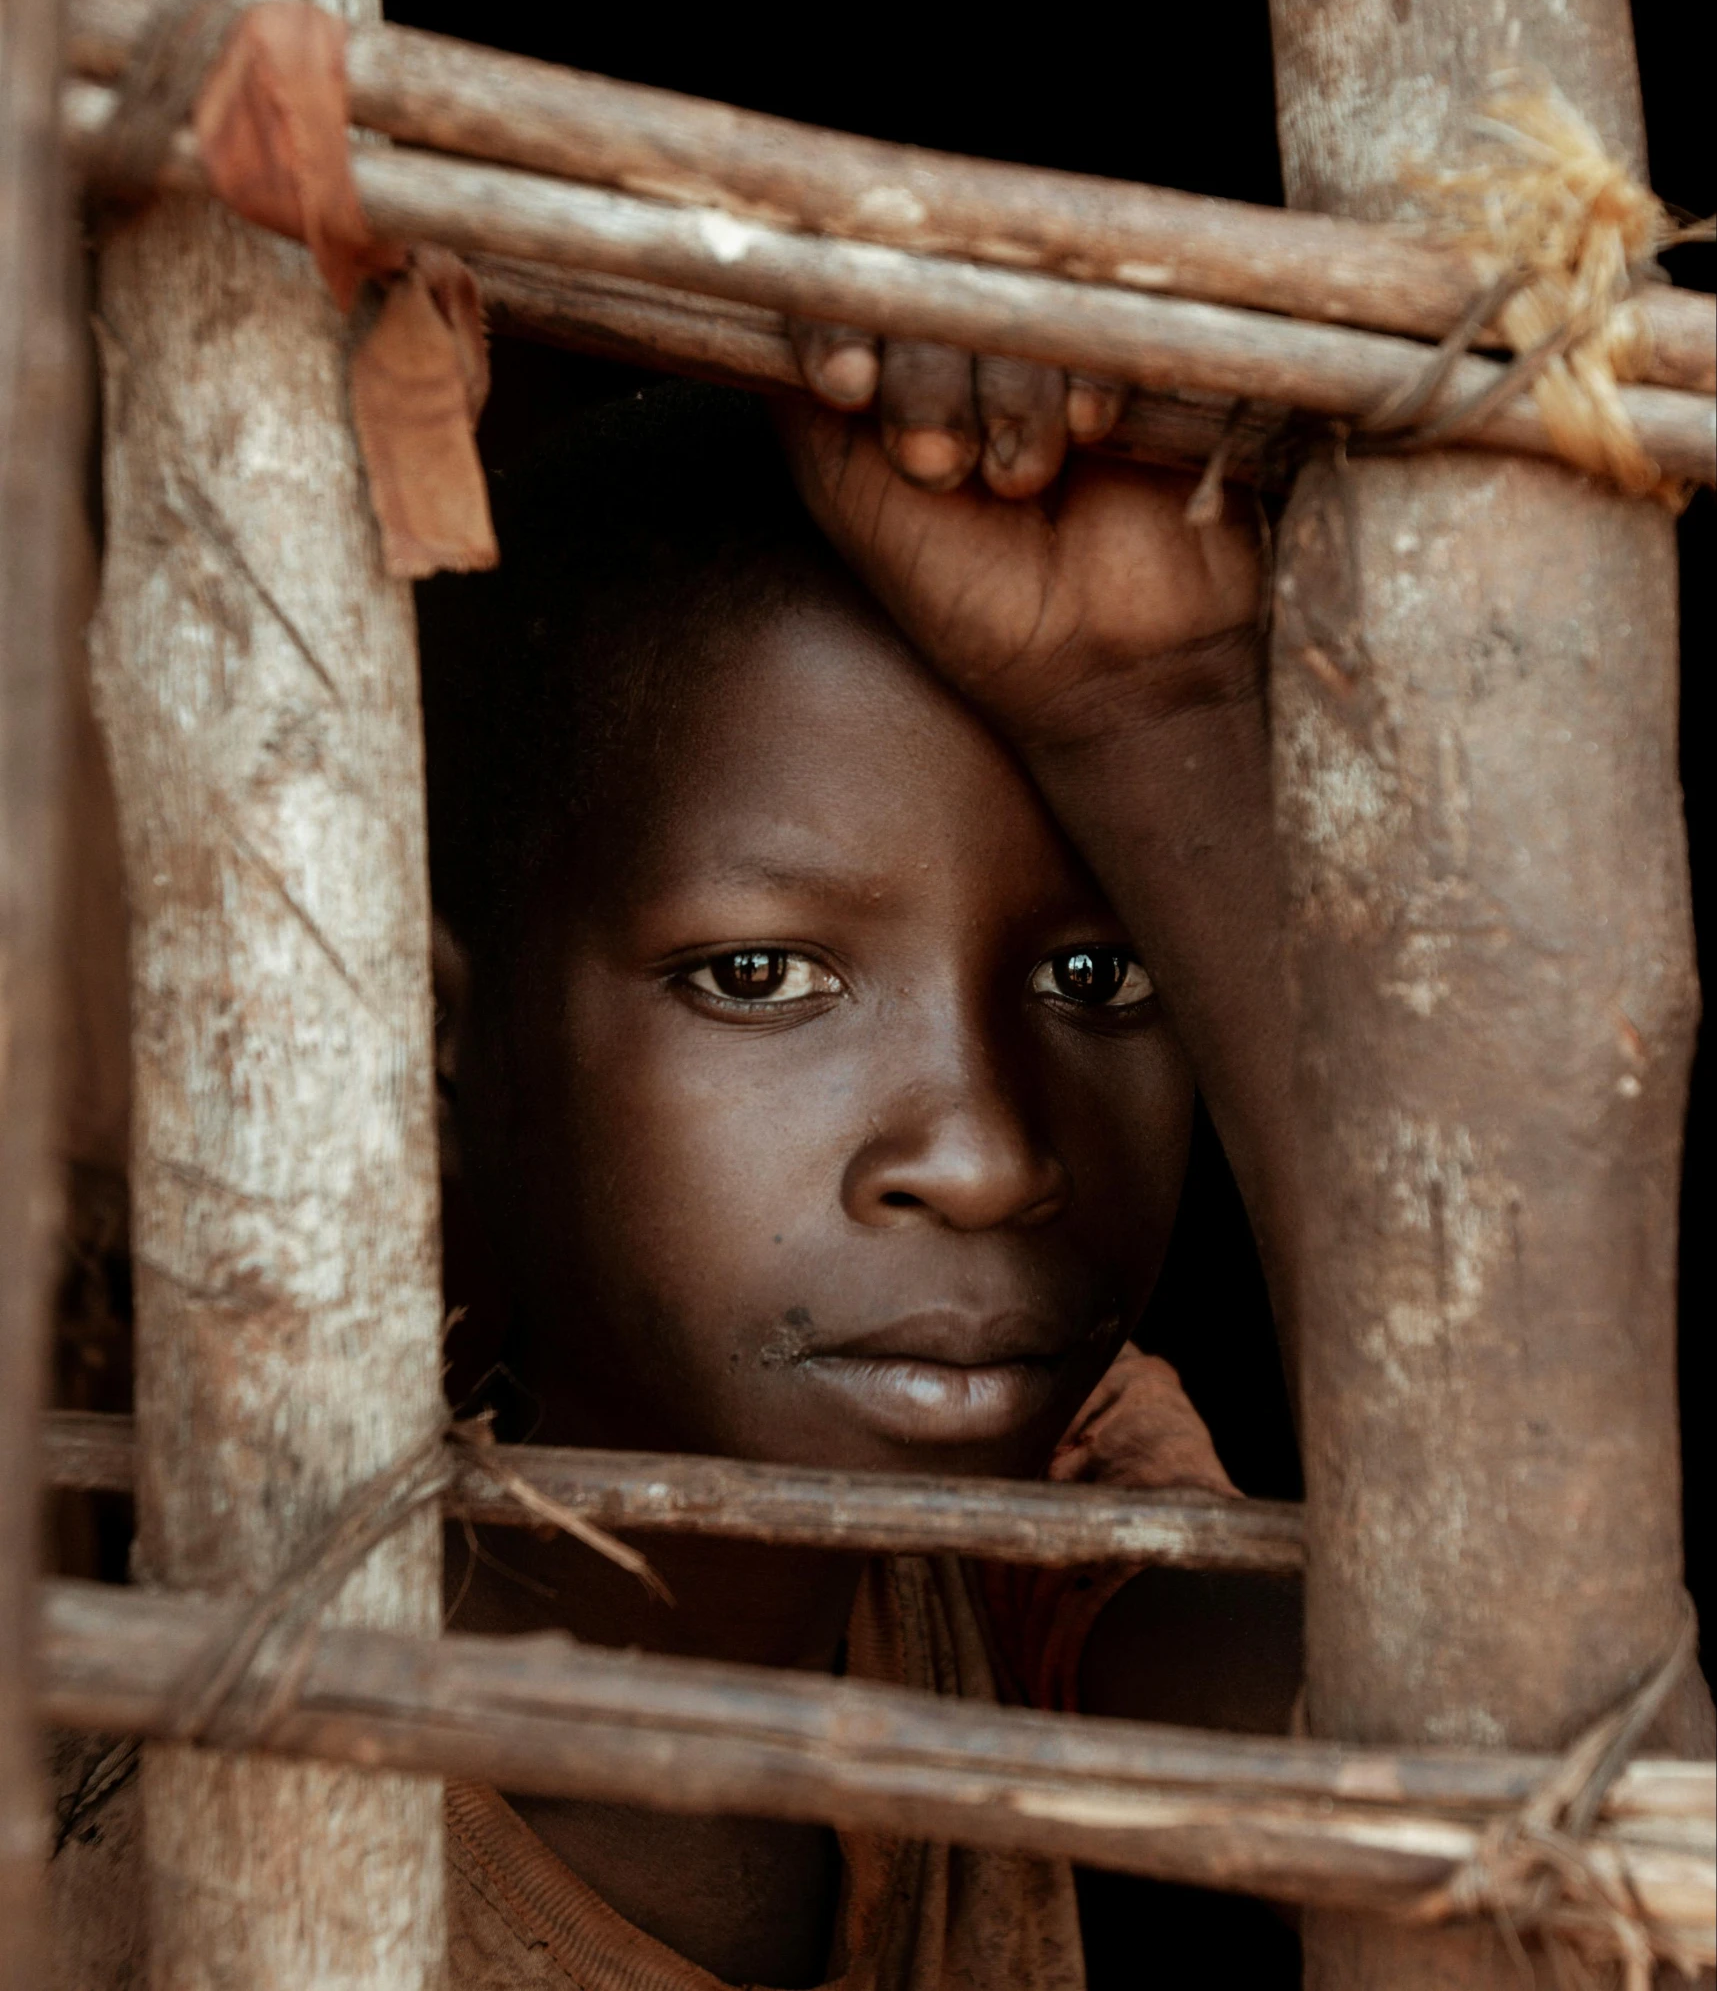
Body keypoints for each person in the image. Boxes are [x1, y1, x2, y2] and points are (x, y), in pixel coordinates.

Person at [49, 346, 1305, 1990]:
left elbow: (1560, 1816)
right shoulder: (190, 1871)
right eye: (762, 976)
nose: (990, 1160)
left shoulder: (1047, 1513)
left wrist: (1162, 712)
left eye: (1101, 977)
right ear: (438, 1035)